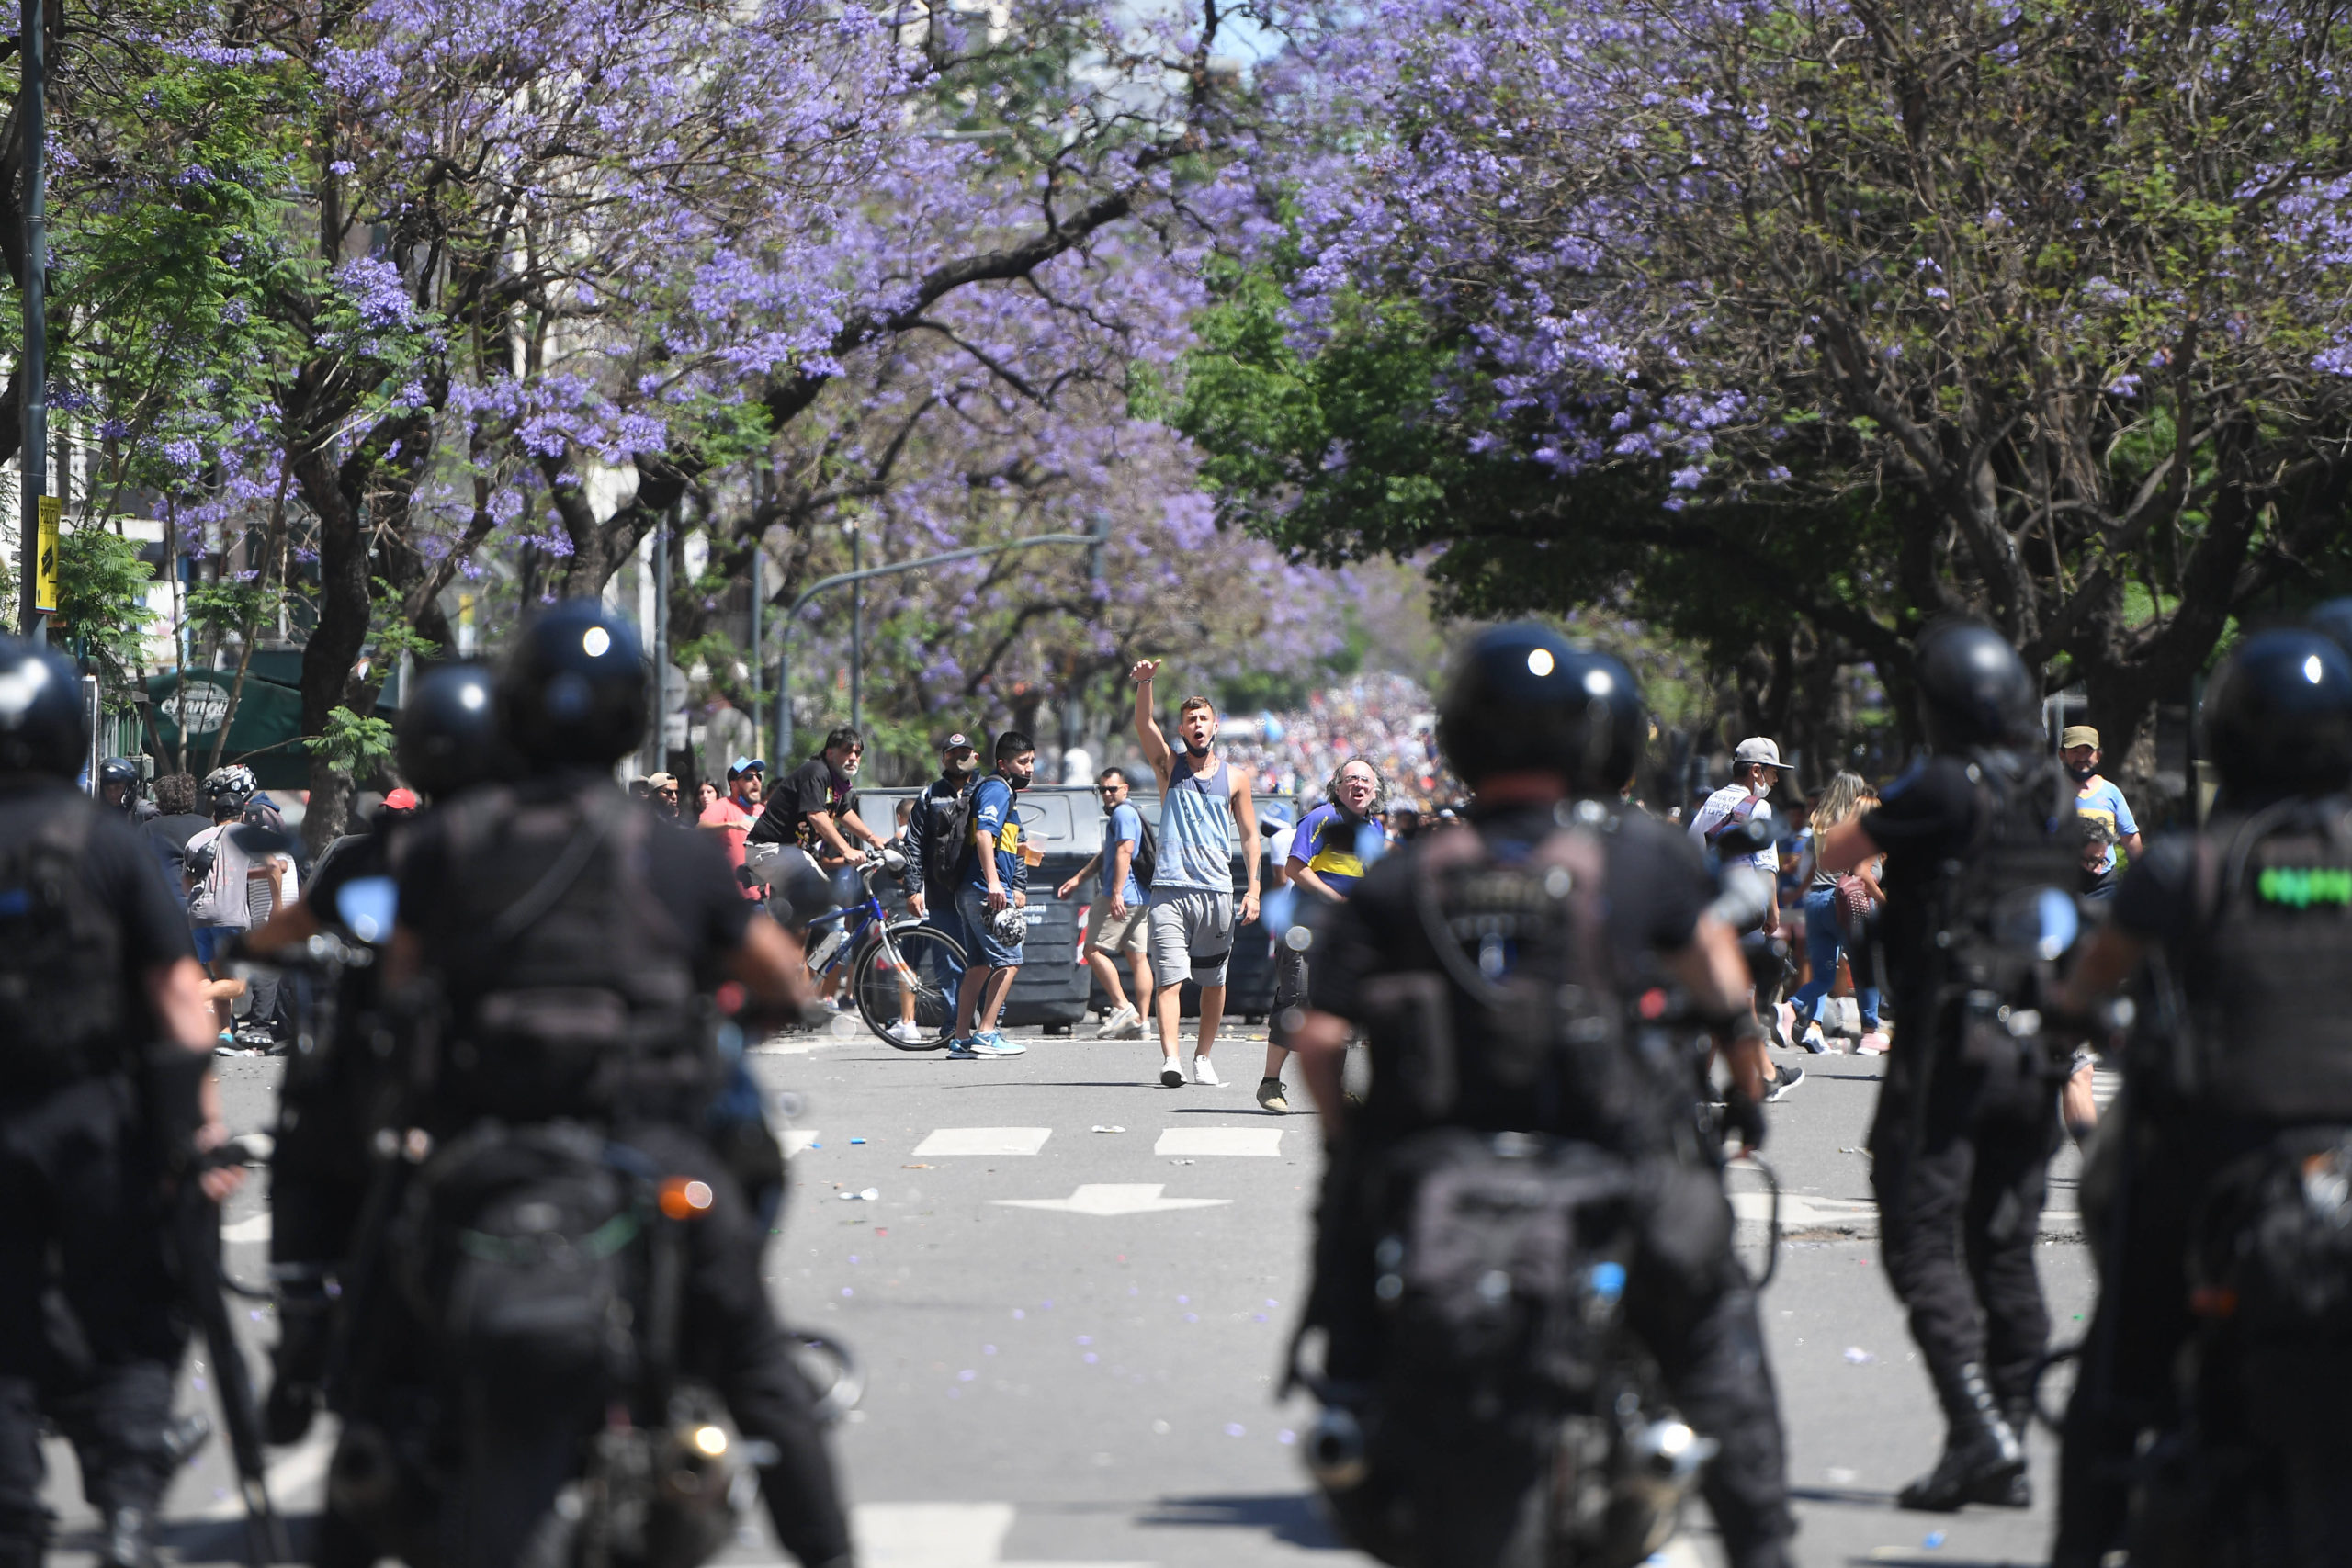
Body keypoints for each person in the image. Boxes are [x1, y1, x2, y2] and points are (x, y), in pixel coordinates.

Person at [1284, 624, 1793, 1568]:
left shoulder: (1403, 874)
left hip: (1434, 1166)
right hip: (1616, 1162)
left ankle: (1348, 1404)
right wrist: (1746, 1093)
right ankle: (1762, 1539)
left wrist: (1352, 1146)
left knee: (1350, 1233)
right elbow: (1729, 998)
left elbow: (1318, 1043)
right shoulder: (1644, 857)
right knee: (1713, 1325)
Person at [379, 601, 853, 1568]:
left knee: (382, 1342)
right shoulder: (671, 853)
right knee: (760, 1368)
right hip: (647, 1149)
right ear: (630, 720)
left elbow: (396, 991)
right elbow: (783, 980)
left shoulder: (449, 845)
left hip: (485, 1153)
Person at [2045, 626, 2352, 1565]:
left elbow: (2085, 987)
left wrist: (2063, 1023)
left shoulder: (2191, 864)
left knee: (2115, 1375)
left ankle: (2081, 1542)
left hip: (2214, 1156)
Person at [1817, 619, 2075, 1512]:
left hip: (1949, 1045)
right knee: (2004, 1245)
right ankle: (2001, 1438)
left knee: (1920, 1233)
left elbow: (1833, 852)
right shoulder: (2049, 792)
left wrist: (1884, 793)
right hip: (2033, 1040)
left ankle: (1978, 1431)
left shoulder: (1941, 784)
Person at [0, 635, 243, 1568]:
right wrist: (198, 1133)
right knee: (142, 1305)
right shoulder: (105, 845)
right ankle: (132, 1503)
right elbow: (182, 999)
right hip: (99, 1124)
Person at [239, 663, 502, 1446]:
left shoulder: (378, 853)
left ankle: (300, 1344)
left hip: (401, 1077)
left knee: (307, 1146)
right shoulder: (529, 842)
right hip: (487, 1076)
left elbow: (280, 936)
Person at [1131, 663, 1261, 1089]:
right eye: (1190, 720)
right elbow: (1143, 722)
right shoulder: (1169, 767)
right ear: (1183, 730)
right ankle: (1172, 1059)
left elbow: (1248, 836)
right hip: (1170, 890)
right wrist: (1145, 683)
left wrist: (1254, 888)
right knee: (1169, 977)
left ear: (1215, 726)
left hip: (1217, 892)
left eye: (1203, 718)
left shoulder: (1235, 778)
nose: (1197, 725)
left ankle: (1203, 1057)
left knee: (1213, 982)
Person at [1260, 758, 1382, 1114]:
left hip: (1344, 939)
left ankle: (1339, 1091)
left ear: (1375, 790)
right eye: (1351, 779)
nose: (1358, 785)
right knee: (1295, 1004)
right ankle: (1269, 1085)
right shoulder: (1320, 817)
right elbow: (1296, 868)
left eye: (1365, 780)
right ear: (1338, 787)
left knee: (1339, 1012)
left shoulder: (1374, 828)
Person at [949, 731, 1035, 1059]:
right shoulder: (997, 789)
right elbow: (985, 836)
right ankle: (986, 1032)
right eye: (1021, 762)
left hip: (973, 889)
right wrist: (995, 883)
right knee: (1010, 959)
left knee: (979, 965)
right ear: (1003, 763)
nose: (1028, 768)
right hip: (986, 890)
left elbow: (1009, 845)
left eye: (1031, 762)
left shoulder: (998, 791)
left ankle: (961, 1038)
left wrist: (1015, 882)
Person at [1785, 773, 1885, 1055]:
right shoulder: (1853, 824)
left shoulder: (1818, 820)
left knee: (1823, 972)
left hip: (1815, 898)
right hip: (1843, 899)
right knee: (1865, 967)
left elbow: (1809, 864)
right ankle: (1870, 1032)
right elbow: (1860, 872)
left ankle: (1810, 1024)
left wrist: (1798, 893)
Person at [1056, 767, 1152, 1043]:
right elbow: (1107, 853)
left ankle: (1123, 1007)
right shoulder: (1129, 814)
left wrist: (1117, 893)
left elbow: (1124, 850)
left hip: (1120, 895)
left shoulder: (1122, 813)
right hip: (1140, 897)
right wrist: (1078, 879)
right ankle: (1142, 1023)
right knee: (1138, 958)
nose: (1107, 794)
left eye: (1112, 788)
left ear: (1125, 789)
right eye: (1103, 790)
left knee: (1092, 949)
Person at [902, 734, 982, 1043]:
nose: (958, 758)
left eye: (964, 752)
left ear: (975, 756)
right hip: (941, 894)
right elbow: (913, 844)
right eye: (953, 753)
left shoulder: (988, 789)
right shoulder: (930, 795)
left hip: (980, 892)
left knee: (986, 958)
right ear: (944, 758)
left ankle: (989, 1024)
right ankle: (954, 1024)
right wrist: (913, 888)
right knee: (947, 961)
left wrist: (1015, 885)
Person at [184, 766, 266, 1045]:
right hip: (230, 917)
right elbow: (274, 867)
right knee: (238, 986)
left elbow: (187, 882)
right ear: (241, 814)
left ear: (214, 815)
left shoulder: (195, 840)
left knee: (220, 978)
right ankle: (196, 994)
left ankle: (223, 1032)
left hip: (199, 916)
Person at [751, 728, 883, 881]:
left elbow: (843, 812)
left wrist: (872, 838)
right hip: (768, 848)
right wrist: (846, 850)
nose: (853, 757)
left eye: (857, 753)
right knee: (820, 895)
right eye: (847, 751)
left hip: (792, 850)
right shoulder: (816, 771)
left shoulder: (840, 781)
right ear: (830, 753)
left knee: (819, 897)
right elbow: (816, 815)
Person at [2060, 726, 2141, 874]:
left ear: (2098, 756)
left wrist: (2141, 878)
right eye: (2075, 751)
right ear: (2062, 755)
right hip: (2065, 877)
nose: (2082, 757)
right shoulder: (2054, 792)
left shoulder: (2111, 793)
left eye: (2088, 751)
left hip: (2103, 881)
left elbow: (2130, 838)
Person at [701, 758, 765, 899]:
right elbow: (699, 829)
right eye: (749, 777)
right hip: (734, 900)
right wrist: (731, 825)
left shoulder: (763, 811)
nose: (756, 781)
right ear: (734, 784)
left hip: (765, 899)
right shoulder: (722, 806)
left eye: (758, 777)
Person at [140, 773, 209, 886]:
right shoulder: (208, 826)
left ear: (161, 801)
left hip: (164, 895)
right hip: (199, 894)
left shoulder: (148, 828)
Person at [96, 758, 155, 824]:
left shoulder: (147, 813)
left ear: (129, 789)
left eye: (118, 788)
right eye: (108, 789)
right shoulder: (98, 814)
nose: (112, 794)